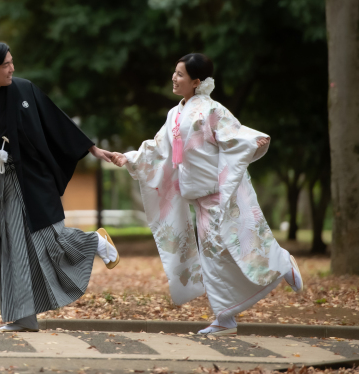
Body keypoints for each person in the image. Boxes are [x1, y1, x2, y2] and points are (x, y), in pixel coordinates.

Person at [0, 40, 121, 332]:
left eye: (12, 62)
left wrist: (92, 149)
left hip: (30, 177)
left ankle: (94, 242)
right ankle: (24, 317)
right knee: (12, 248)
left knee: (50, 237)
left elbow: (56, 122)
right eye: (5, 65)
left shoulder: (25, 90)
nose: (12, 68)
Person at [111, 53, 304, 335]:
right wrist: (128, 157)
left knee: (241, 243)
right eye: (175, 72)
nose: (174, 78)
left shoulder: (212, 110)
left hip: (222, 195)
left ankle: (281, 264)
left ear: (196, 81)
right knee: (214, 257)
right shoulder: (174, 114)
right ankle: (225, 317)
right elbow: (157, 148)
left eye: (180, 74)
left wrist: (252, 140)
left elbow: (234, 135)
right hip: (200, 200)